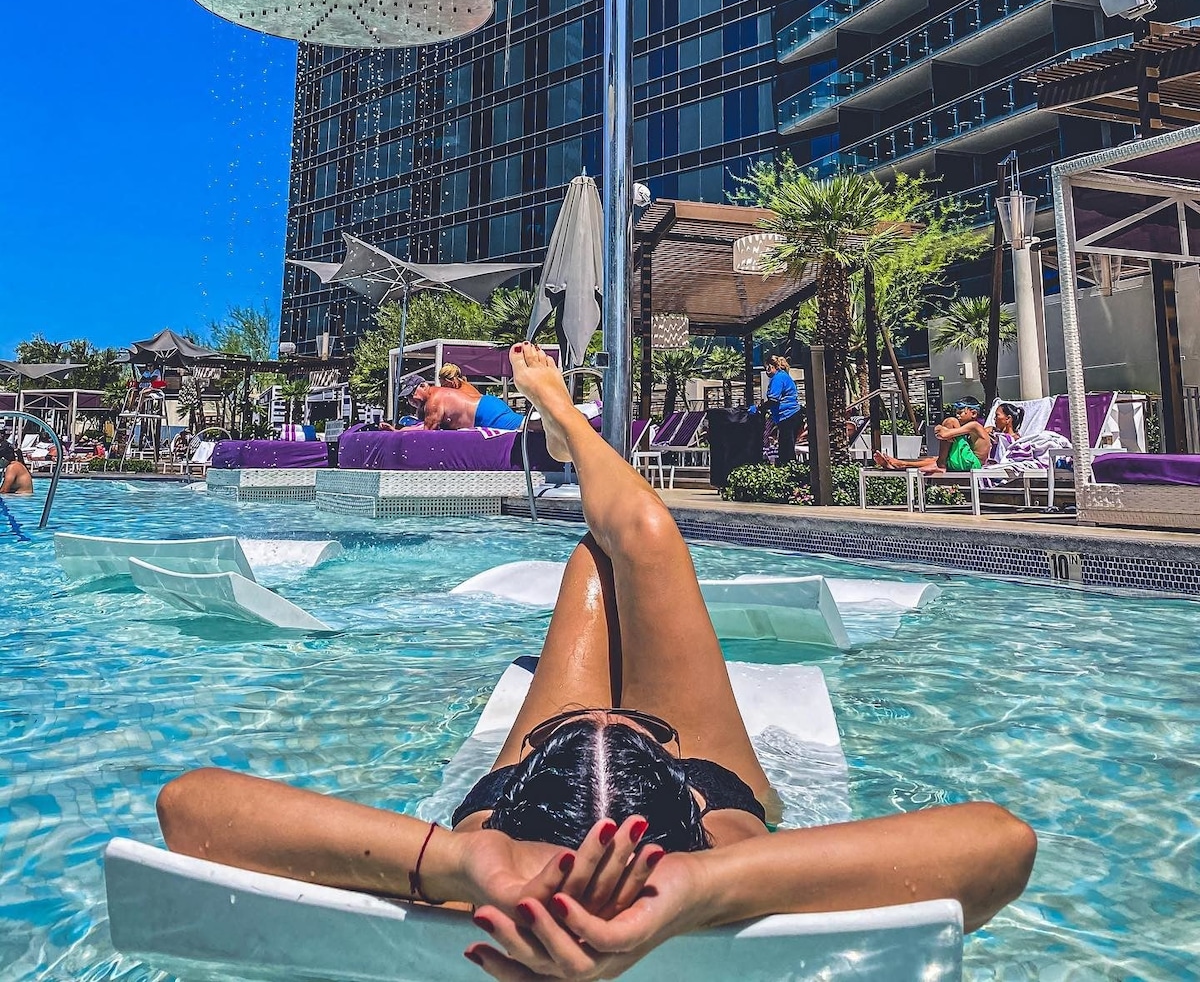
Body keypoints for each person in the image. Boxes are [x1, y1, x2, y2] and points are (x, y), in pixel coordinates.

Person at [156, 344, 1036, 978]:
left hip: (530, 800)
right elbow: (1000, 845)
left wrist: (469, 863)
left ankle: (560, 424)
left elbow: (190, 806)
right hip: (690, 792)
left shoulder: (486, 873)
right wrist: (700, 882)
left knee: (601, 556)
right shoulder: (716, 853)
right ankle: (567, 420)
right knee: (638, 536)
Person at [874, 398, 992, 474]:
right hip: (967, 462)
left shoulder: (974, 426)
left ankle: (940, 465)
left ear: (973, 413)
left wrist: (941, 428)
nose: (958, 415)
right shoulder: (969, 429)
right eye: (956, 412)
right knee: (935, 458)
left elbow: (943, 434)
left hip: (972, 463)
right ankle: (900, 464)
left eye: (960, 412)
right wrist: (942, 430)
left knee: (950, 421)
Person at [401, 372, 524, 432]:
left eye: (412, 394)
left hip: (485, 412)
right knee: (524, 425)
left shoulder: (433, 401)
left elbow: (426, 433)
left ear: (424, 386)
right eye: (408, 397)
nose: (412, 400)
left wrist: (399, 432)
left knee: (525, 426)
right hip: (487, 406)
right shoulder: (435, 396)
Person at [764, 354, 802, 465]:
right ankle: (789, 467)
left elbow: (773, 399)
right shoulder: (784, 376)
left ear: (771, 366)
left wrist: (760, 408)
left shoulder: (778, 378)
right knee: (787, 446)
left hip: (787, 416)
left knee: (786, 449)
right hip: (792, 415)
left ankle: (789, 468)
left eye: (766, 367)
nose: (766, 371)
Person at [0, 431, 34, 495]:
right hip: (20, 498)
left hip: (19, 499)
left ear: (3, 458)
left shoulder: (12, 467)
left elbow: (4, 490)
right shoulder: (17, 465)